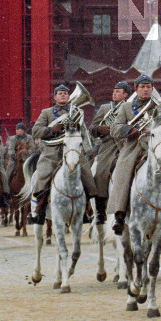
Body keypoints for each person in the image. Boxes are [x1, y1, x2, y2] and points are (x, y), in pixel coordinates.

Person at [108, 75, 161, 235]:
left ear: (152, 89)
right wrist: (129, 130)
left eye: (149, 87)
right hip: (134, 147)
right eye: (143, 87)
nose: (146, 90)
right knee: (123, 172)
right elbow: (114, 128)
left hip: (157, 146)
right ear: (136, 89)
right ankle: (120, 214)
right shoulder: (126, 108)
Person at [27, 84, 97, 225]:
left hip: (72, 149)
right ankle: (39, 211)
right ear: (55, 97)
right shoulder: (47, 112)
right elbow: (36, 131)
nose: (63, 95)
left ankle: (85, 210)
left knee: (87, 175)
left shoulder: (76, 111)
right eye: (60, 93)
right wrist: (51, 129)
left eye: (65, 93)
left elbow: (83, 132)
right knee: (43, 175)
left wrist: (89, 150)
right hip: (52, 151)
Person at [90, 81, 131, 225]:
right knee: (100, 172)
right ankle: (100, 212)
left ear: (125, 95)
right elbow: (92, 127)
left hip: (124, 144)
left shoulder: (130, 107)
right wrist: (100, 130)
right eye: (114, 91)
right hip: (107, 145)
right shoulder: (104, 108)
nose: (114, 93)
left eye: (118, 91)